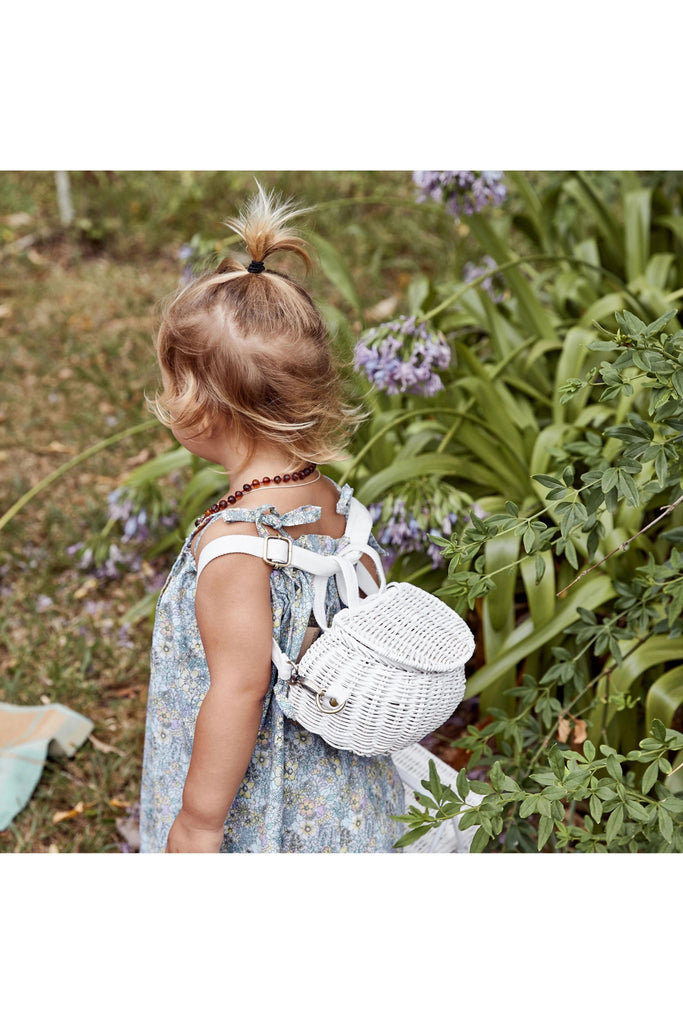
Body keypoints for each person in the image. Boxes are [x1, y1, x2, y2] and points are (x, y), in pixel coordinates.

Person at [139, 184, 405, 853]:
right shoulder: (334, 502)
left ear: (199, 407)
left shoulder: (236, 548)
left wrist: (199, 822)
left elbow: (240, 689)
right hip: (343, 795)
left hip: (265, 809)